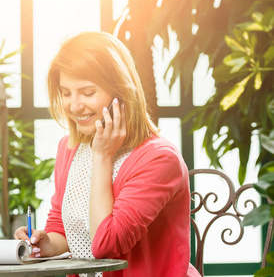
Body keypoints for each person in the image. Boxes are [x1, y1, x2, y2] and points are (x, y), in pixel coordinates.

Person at [14, 31, 200, 277]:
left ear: (120, 93)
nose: (74, 105)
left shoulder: (159, 159)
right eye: (66, 93)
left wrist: (101, 157)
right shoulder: (69, 149)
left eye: (88, 93)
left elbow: (106, 246)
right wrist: (47, 244)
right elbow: (62, 226)